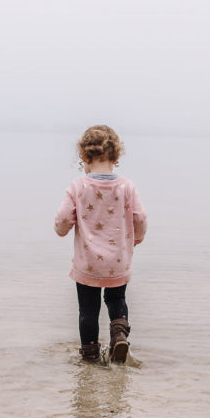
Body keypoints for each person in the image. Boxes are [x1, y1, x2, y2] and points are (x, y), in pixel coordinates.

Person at [54, 125, 147, 362]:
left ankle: (90, 356)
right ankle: (119, 337)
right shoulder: (127, 186)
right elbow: (140, 217)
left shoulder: (77, 186)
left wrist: (61, 230)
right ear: (116, 156)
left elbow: (64, 220)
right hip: (119, 261)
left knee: (88, 310)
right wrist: (137, 238)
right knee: (117, 300)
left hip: (88, 264)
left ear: (84, 157)